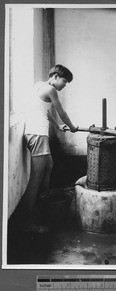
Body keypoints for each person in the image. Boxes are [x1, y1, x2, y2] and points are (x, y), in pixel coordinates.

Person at [20, 64, 78, 234]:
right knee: (35, 180)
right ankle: (26, 223)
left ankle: (42, 205)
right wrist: (72, 127)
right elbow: (62, 112)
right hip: (37, 134)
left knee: (49, 165)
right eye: (64, 81)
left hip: (35, 133)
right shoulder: (52, 91)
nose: (64, 85)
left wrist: (57, 126)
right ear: (54, 76)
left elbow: (46, 112)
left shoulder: (39, 85)